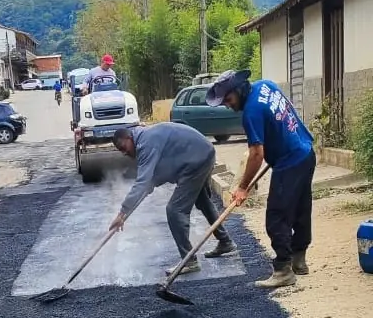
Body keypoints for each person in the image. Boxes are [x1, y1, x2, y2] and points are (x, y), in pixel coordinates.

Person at [206, 69, 315, 289]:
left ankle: (284, 269)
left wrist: (243, 187)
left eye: (228, 99)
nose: (227, 105)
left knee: (277, 215)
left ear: (238, 90)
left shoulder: (251, 112)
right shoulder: (266, 85)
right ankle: (299, 260)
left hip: (290, 162)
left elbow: (257, 154)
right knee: (301, 209)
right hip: (306, 151)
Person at [109, 123, 236, 274]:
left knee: (175, 210)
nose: (124, 153)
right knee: (202, 201)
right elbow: (155, 176)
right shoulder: (144, 137)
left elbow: (143, 182)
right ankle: (225, 241)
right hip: (202, 153)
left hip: (196, 159)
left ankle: (189, 261)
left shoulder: (145, 144)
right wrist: (148, 186)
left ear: (129, 138)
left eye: (123, 147)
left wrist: (122, 213)